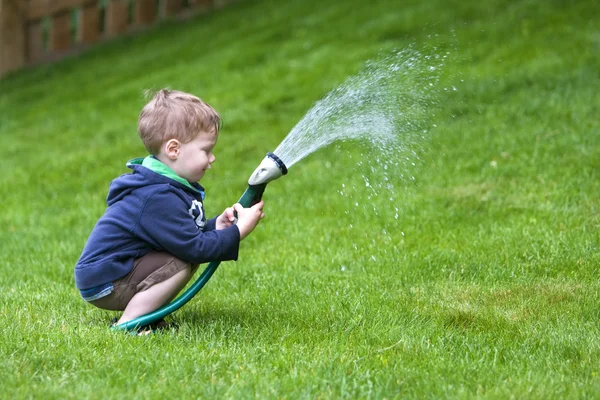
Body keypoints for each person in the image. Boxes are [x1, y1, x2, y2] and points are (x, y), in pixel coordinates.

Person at [74, 89, 265, 331]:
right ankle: (131, 324)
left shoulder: (166, 186)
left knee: (182, 256)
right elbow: (194, 248)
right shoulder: (158, 195)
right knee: (182, 261)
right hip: (106, 280)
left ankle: (145, 315)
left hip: (114, 272)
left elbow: (183, 234)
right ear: (174, 149)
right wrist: (238, 231)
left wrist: (217, 226)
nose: (213, 158)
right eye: (206, 150)